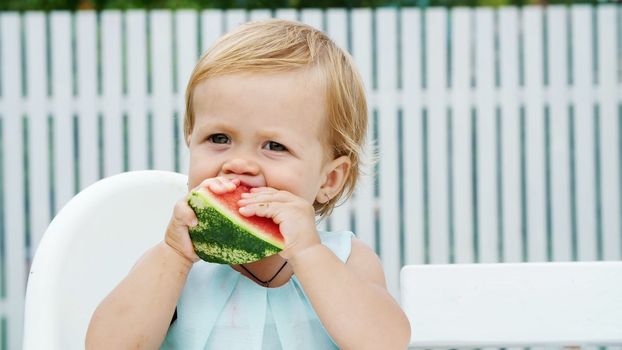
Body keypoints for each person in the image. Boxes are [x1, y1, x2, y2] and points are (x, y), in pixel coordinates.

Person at [86, 19, 411, 349]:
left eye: (274, 146)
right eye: (219, 138)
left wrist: (310, 253)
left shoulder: (346, 260)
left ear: (329, 179)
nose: (238, 163)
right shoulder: (173, 269)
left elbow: (387, 342)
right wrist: (174, 256)